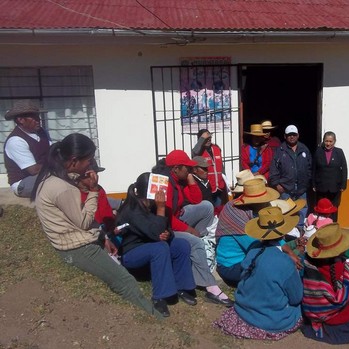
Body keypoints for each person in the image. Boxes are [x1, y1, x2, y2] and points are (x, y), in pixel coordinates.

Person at [32, 133, 163, 319]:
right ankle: (153, 319)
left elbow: (77, 221)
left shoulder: (53, 177)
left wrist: (103, 238)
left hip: (78, 240)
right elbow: (84, 222)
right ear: (74, 160)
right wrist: (93, 190)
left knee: (123, 277)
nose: (90, 164)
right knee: (126, 281)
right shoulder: (62, 187)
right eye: (89, 160)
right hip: (76, 248)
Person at [153, 150, 233, 307]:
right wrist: (189, 230)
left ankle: (198, 249)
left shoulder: (177, 179)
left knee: (207, 207)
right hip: (165, 227)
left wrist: (189, 178)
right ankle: (211, 287)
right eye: (187, 168)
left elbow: (196, 199)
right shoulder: (165, 184)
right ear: (176, 168)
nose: (190, 171)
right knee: (195, 242)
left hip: (178, 217)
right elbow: (165, 220)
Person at [214, 207, 303, 340]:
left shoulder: (252, 252)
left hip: (245, 312)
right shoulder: (285, 262)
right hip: (273, 320)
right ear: (283, 234)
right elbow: (296, 298)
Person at [116, 172, 197, 317]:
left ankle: (182, 287)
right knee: (160, 248)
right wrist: (161, 209)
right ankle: (160, 296)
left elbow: (165, 228)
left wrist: (168, 234)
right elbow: (155, 232)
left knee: (181, 245)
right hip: (132, 253)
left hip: (152, 245)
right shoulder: (132, 210)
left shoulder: (152, 206)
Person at [4, 99, 51, 198]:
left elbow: (53, 152)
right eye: (33, 117)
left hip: (44, 173)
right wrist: (59, 166)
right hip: (24, 182)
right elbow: (34, 170)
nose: (38, 119)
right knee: (57, 180)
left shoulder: (42, 132)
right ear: (20, 120)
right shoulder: (16, 141)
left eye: (38, 116)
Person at [269, 124, 312, 229]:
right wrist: (277, 184)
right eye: (289, 135)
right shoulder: (280, 151)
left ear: (298, 135)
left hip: (301, 188)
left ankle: (300, 231)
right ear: (285, 136)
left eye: (294, 134)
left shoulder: (304, 149)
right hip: (285, 188)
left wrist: (307, 183)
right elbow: (273, 169)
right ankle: (288, 233)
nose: (291, 137)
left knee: (302, 209)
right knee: (286, 211)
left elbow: (310, 167)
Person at [312, 131, 347, 222]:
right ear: (323, 141)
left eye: (330, 141)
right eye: (326, 141)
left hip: (335, 187)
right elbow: (314, 169)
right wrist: (313, 184)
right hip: (321, 187)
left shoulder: (339, 152)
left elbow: (344, 169)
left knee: (334, 209)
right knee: (321, 209)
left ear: (334, 141)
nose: (328, 143)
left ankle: (333, 228)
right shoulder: (318, 151)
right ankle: (321, 228)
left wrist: (343, 185)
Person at [192, 129, 228, 208]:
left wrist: (225, 181)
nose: (208, 140)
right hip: (208, 187)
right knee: (210, 210)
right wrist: (202, 139)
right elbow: (194, 151)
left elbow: (221, 166)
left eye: (209, 138)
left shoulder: (216, 148)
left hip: (219, 187)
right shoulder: (198, 151)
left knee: (219, 210)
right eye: (206, 139)